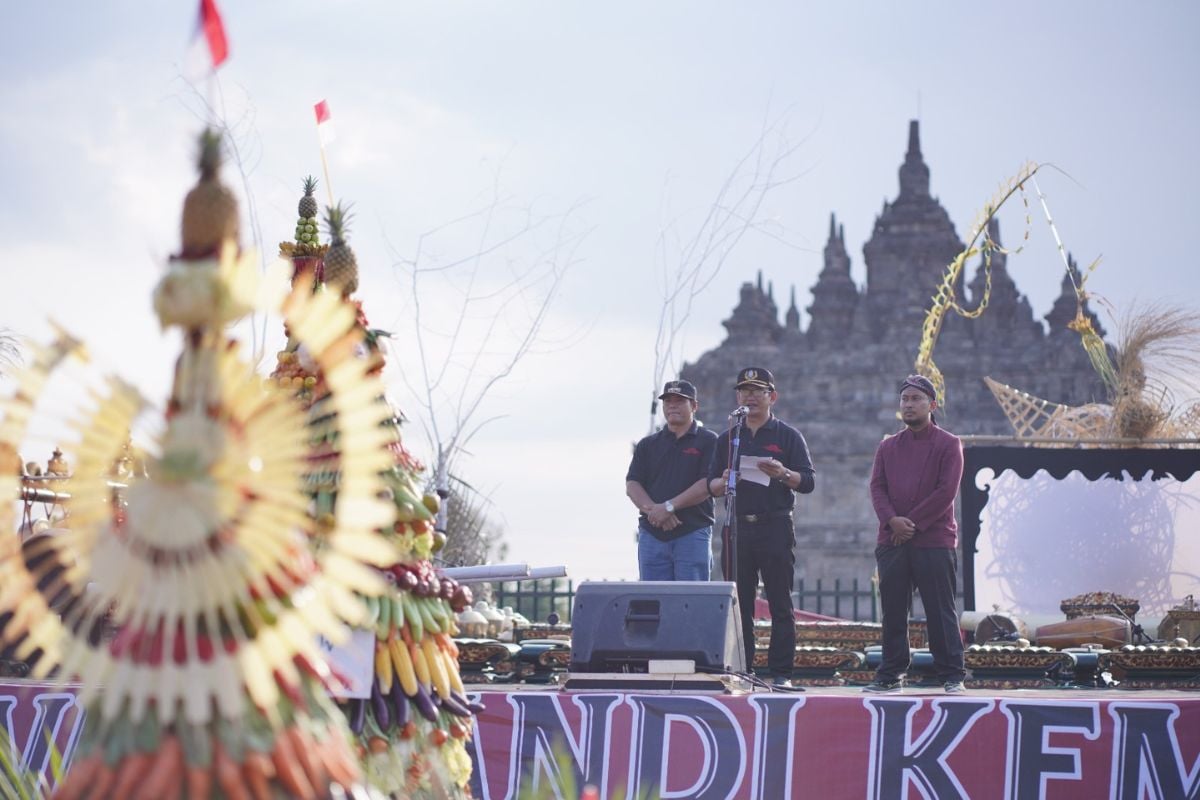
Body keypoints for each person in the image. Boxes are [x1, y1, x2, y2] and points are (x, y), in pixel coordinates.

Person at [708, 367, 815, 688]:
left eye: (758, 391)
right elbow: (710, 484)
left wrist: (782, 473)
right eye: (744, 391)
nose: (750, 397)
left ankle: (781, 672)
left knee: (780, 602)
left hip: (775, 526)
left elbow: (807, 481)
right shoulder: (728, 437)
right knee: (739, 603)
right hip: (737, 527)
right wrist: (726, 479)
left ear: (773, 397)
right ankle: (744, 668)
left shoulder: (788, 436)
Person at [864, 374, 967, 694]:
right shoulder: (887, 446)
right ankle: (891, 673)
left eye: (915, 399)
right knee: (893, 611)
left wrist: (910, 524)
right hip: (892, 540)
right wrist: (892, 521)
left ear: (932, 405)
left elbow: (945, 491)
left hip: (934, 540)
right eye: (904, 400)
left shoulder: (949, 444)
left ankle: (951, 674)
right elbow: (877, 487)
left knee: (940, 609)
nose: (908, 405)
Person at [626, 380, 719, 581]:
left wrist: (669, 507)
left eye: (680, 401)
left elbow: (706, 485)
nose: (673, 406)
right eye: (668, 401)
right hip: (653, 534)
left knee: (691, 601)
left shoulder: (709, 441)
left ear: (694, 406)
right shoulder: (648, 444)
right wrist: (655, 511)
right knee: (653, 603)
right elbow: (633, 484)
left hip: (692, 533)